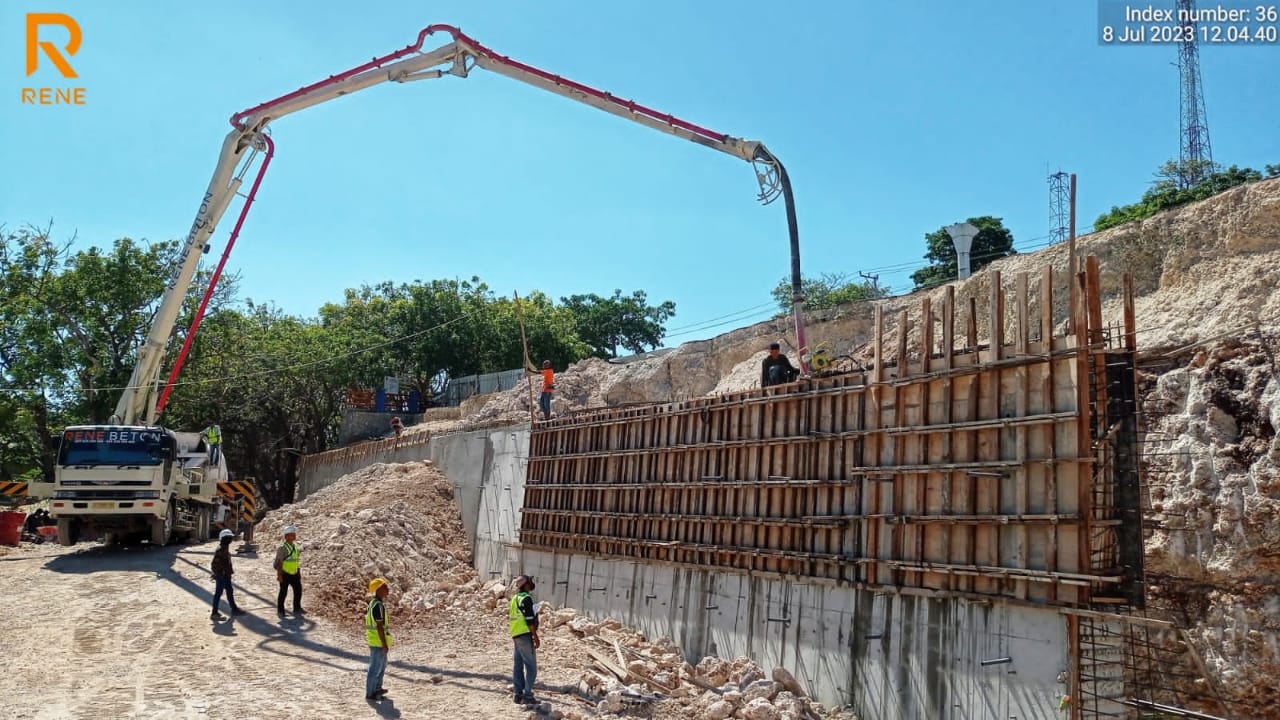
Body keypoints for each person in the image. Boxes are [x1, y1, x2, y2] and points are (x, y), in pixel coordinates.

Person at [509, 574, 540, 705]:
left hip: (515, 634)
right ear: (526, 585)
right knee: (531, 667)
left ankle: (518, 694)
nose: (532, 584)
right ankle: (527, 695)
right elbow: (529, 620)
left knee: (518, 665)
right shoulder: (526, 599)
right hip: (525, 634)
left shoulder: (514, 598)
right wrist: (535, 636)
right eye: (529, 582)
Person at [365, 577, 393, 701]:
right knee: (375, 668)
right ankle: (371, 693)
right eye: (385, 586)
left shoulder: (374, 603)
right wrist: (384, 644)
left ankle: (377, 689)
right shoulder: (378, 606)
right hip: (378, 641)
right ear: (379, 589)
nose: (387, 589)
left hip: (376, 640)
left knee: (381, 666)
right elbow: (380, 627)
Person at [210, 528, 245, 621]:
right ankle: (214, 613)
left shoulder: (224, 548)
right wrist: (218, 574)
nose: (230, 540)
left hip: (225, 575)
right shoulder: (221, 549)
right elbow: (214, 564)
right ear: (224, 539)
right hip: (222, 575)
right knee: (219, 593)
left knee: (229, 590)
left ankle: (234, 609)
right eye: (228, 538)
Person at [274, 524, 305, 616]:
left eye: (294, 534)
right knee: (283, 592)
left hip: (294, 572)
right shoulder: (282, 548)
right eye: (292, 534)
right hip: (285, 573)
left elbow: (296, 559)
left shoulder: (296, 546)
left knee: (298, 590)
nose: (294, 536)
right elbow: (279, 562)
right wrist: (279, 575)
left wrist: (298, 571)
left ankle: (297, 608)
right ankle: (280, 611)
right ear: (286, 536)